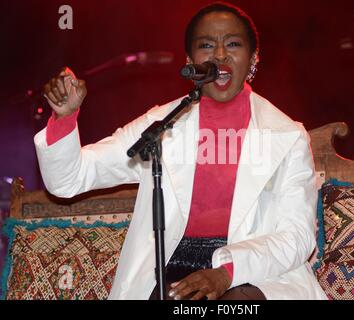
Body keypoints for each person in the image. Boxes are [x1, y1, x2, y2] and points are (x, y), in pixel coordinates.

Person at [35, 2, 327, 300]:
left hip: (257, 273)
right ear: (191, 60)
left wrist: (226, 272)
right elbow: (69, 180)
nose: (220, 55)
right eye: (207, 45)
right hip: (170, 268)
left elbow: (298, 236)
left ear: (253, 58)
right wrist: (64, 118)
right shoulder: (161, 126)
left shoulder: (287, 136)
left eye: (233, 44)